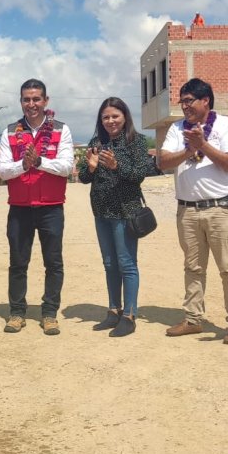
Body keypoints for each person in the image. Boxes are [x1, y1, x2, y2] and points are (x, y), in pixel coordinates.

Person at [159, 77, 228, 343]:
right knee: (193, 267)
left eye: (189, 101)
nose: (184, 106)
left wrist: (203, 145)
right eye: (182, 101)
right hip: (188, 210)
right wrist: (189, 149)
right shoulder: (177, 129)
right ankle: (193, 319)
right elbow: (163, 161)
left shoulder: (227, 125)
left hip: (221, 208)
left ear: (205, 100)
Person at [0, 79, 74, 336]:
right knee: (18, 262)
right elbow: (2, 170)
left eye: (36, 99)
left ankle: (50, 313)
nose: (31, 104)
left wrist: (38, 161)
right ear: (21, 102)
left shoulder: (61, 130)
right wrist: (24, 165)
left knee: (53, 263)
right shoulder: (9, 131)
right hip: (19, 207)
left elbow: (66, 167)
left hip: (51, 207)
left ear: (46, 101)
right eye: (26, 99)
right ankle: (17, 312)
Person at [78, 98, 152, 337]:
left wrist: (115, 166)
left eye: (115, 116)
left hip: (125, 211)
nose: (110, 121)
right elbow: (83, 177)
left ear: (125, 117)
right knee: (109, 264)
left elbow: (140, 174)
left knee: (126, 264)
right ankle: (113, 311)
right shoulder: (96, 143)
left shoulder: (136, 142)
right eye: (105, 117)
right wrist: (90, 167)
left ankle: (129, 315)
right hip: (101, 212)